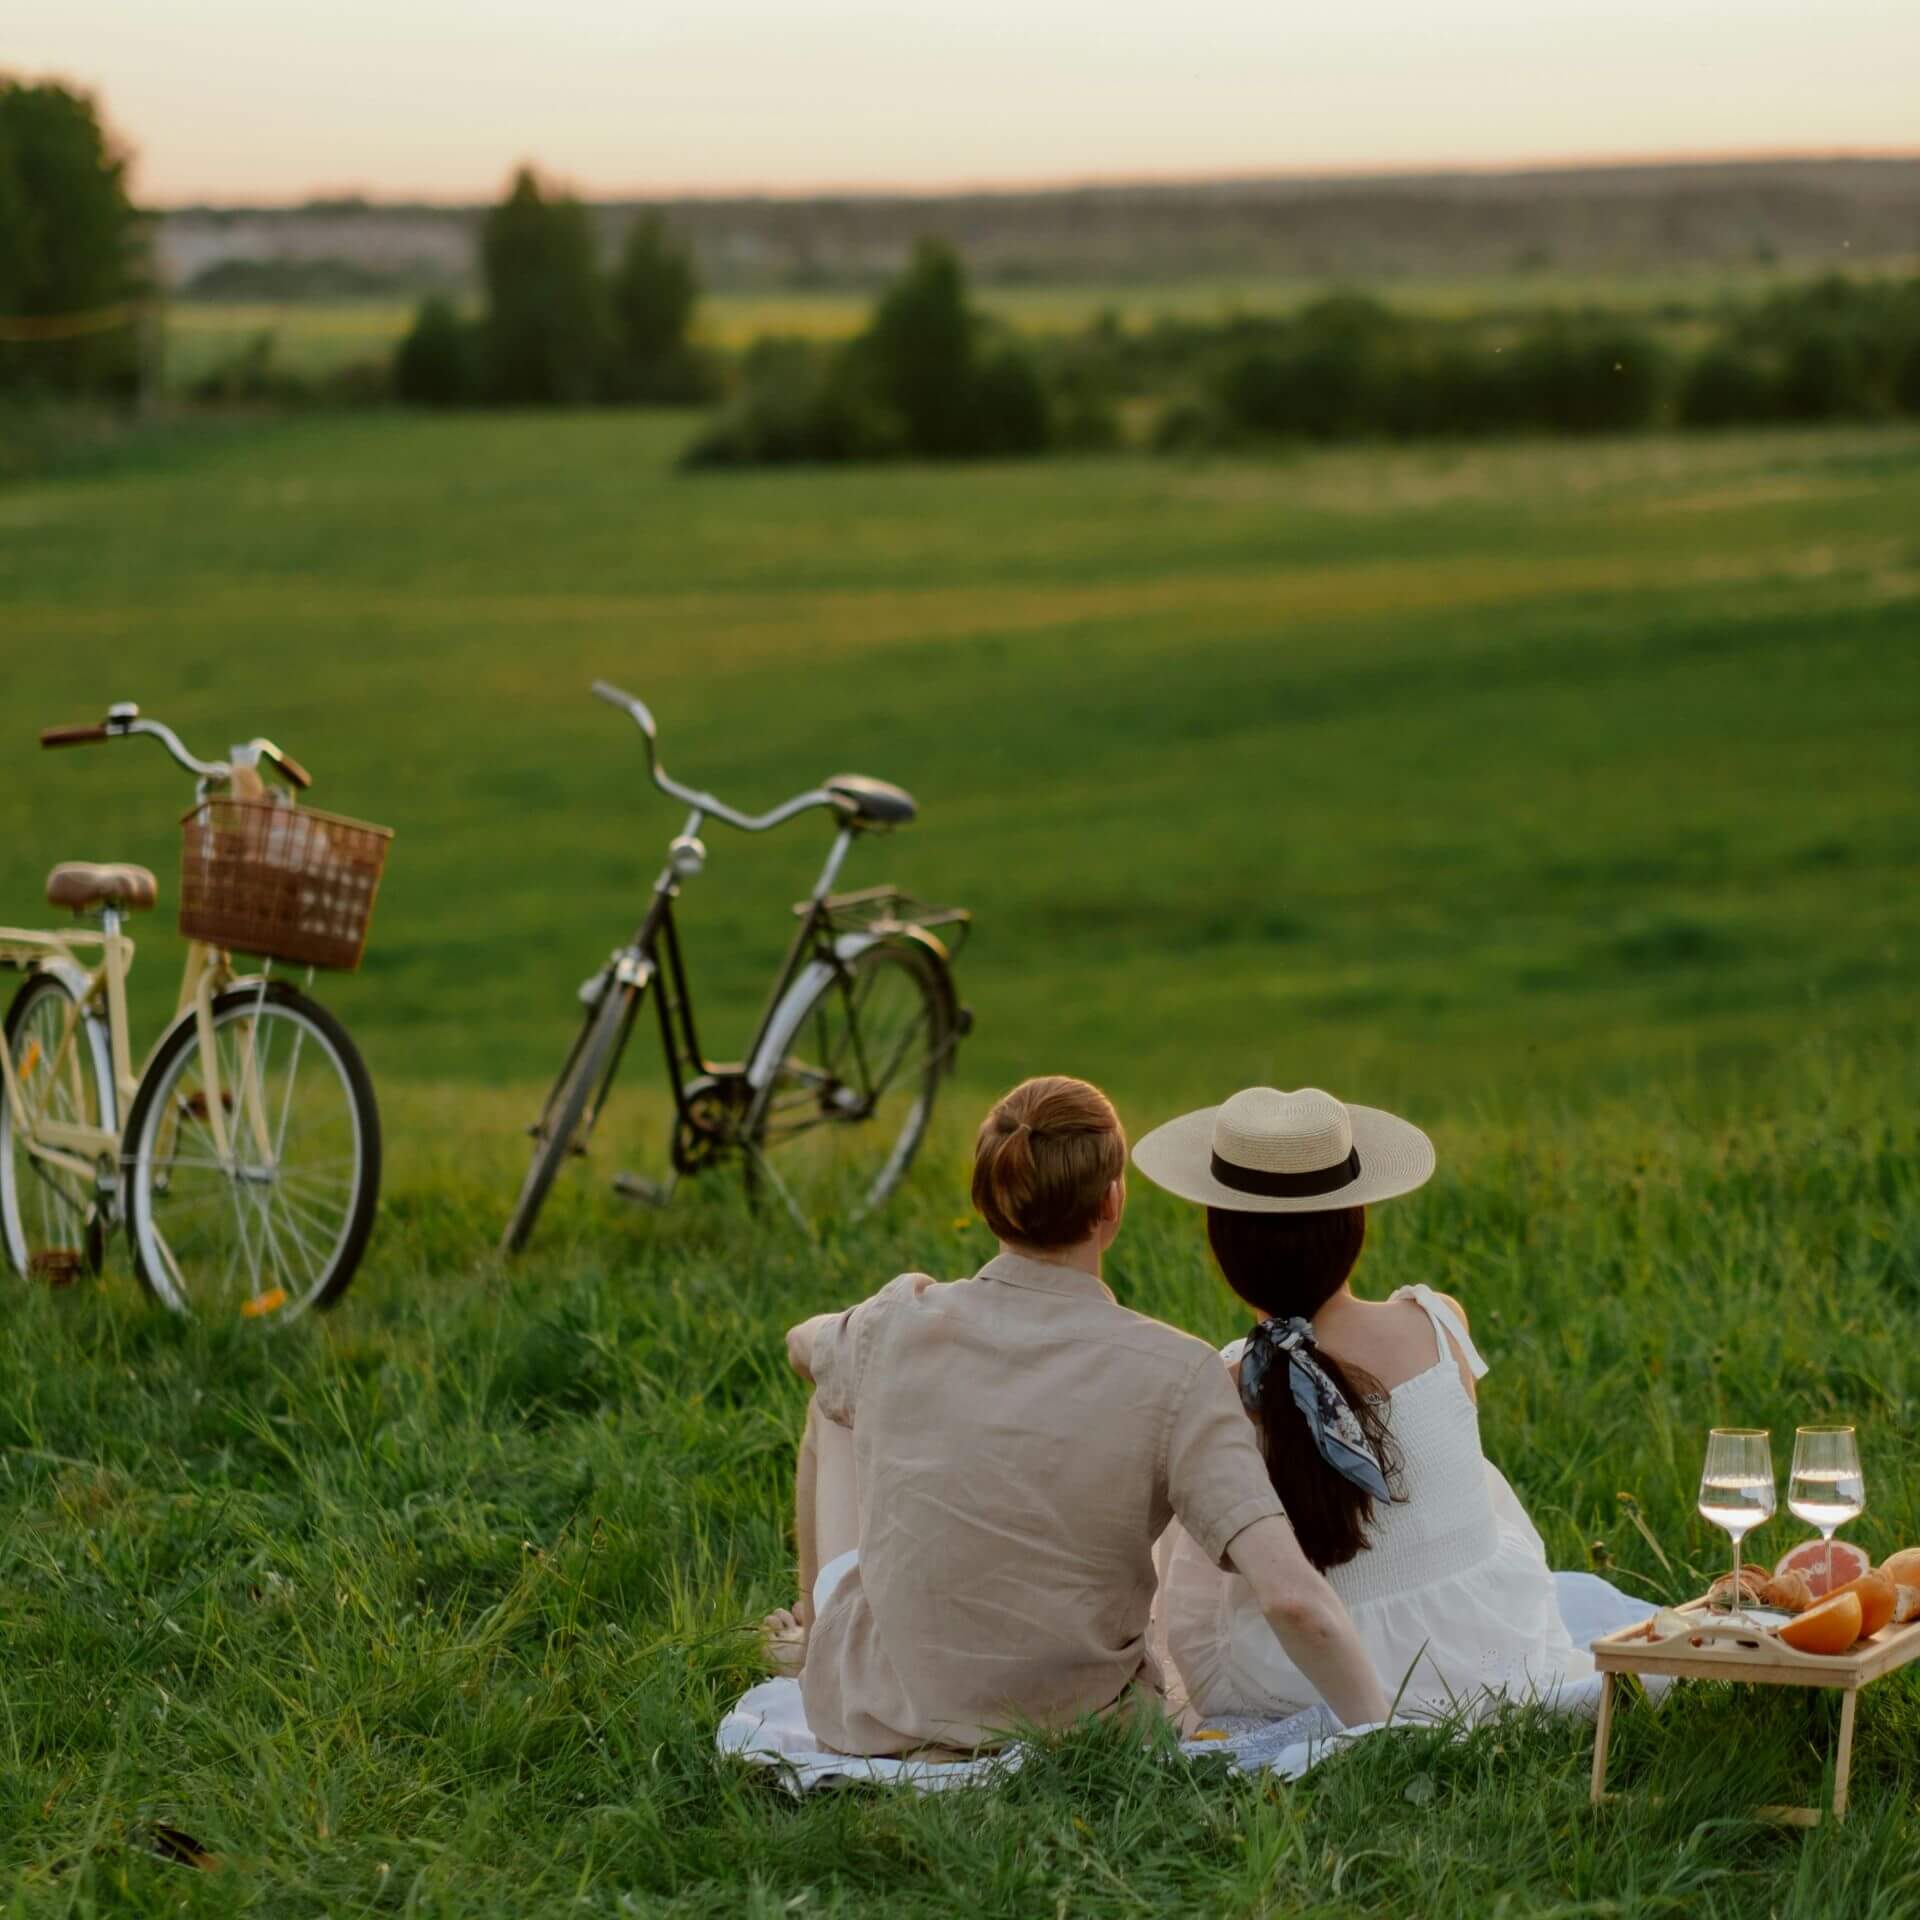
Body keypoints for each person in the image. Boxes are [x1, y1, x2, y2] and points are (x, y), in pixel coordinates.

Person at [764, 1074, 1391, 1756]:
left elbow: (802, 1344)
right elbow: (1292, 1598)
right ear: (1111, 1203)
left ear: (987, 1200)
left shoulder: (896, 1319)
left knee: (834, 1401)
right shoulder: (1178, 1373)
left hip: (881, 1713)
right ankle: (819, 1626)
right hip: (1080, 1731)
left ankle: (816, 1627)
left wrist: (864, 1328)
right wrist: (1385, 1734)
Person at [1135, 1085, 1591, 1723]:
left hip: (1306, 1680)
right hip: (1491, 1648)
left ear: (1222, 1249)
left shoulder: (1224, 1387)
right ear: (1355, 1225)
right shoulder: (1437, 1323)